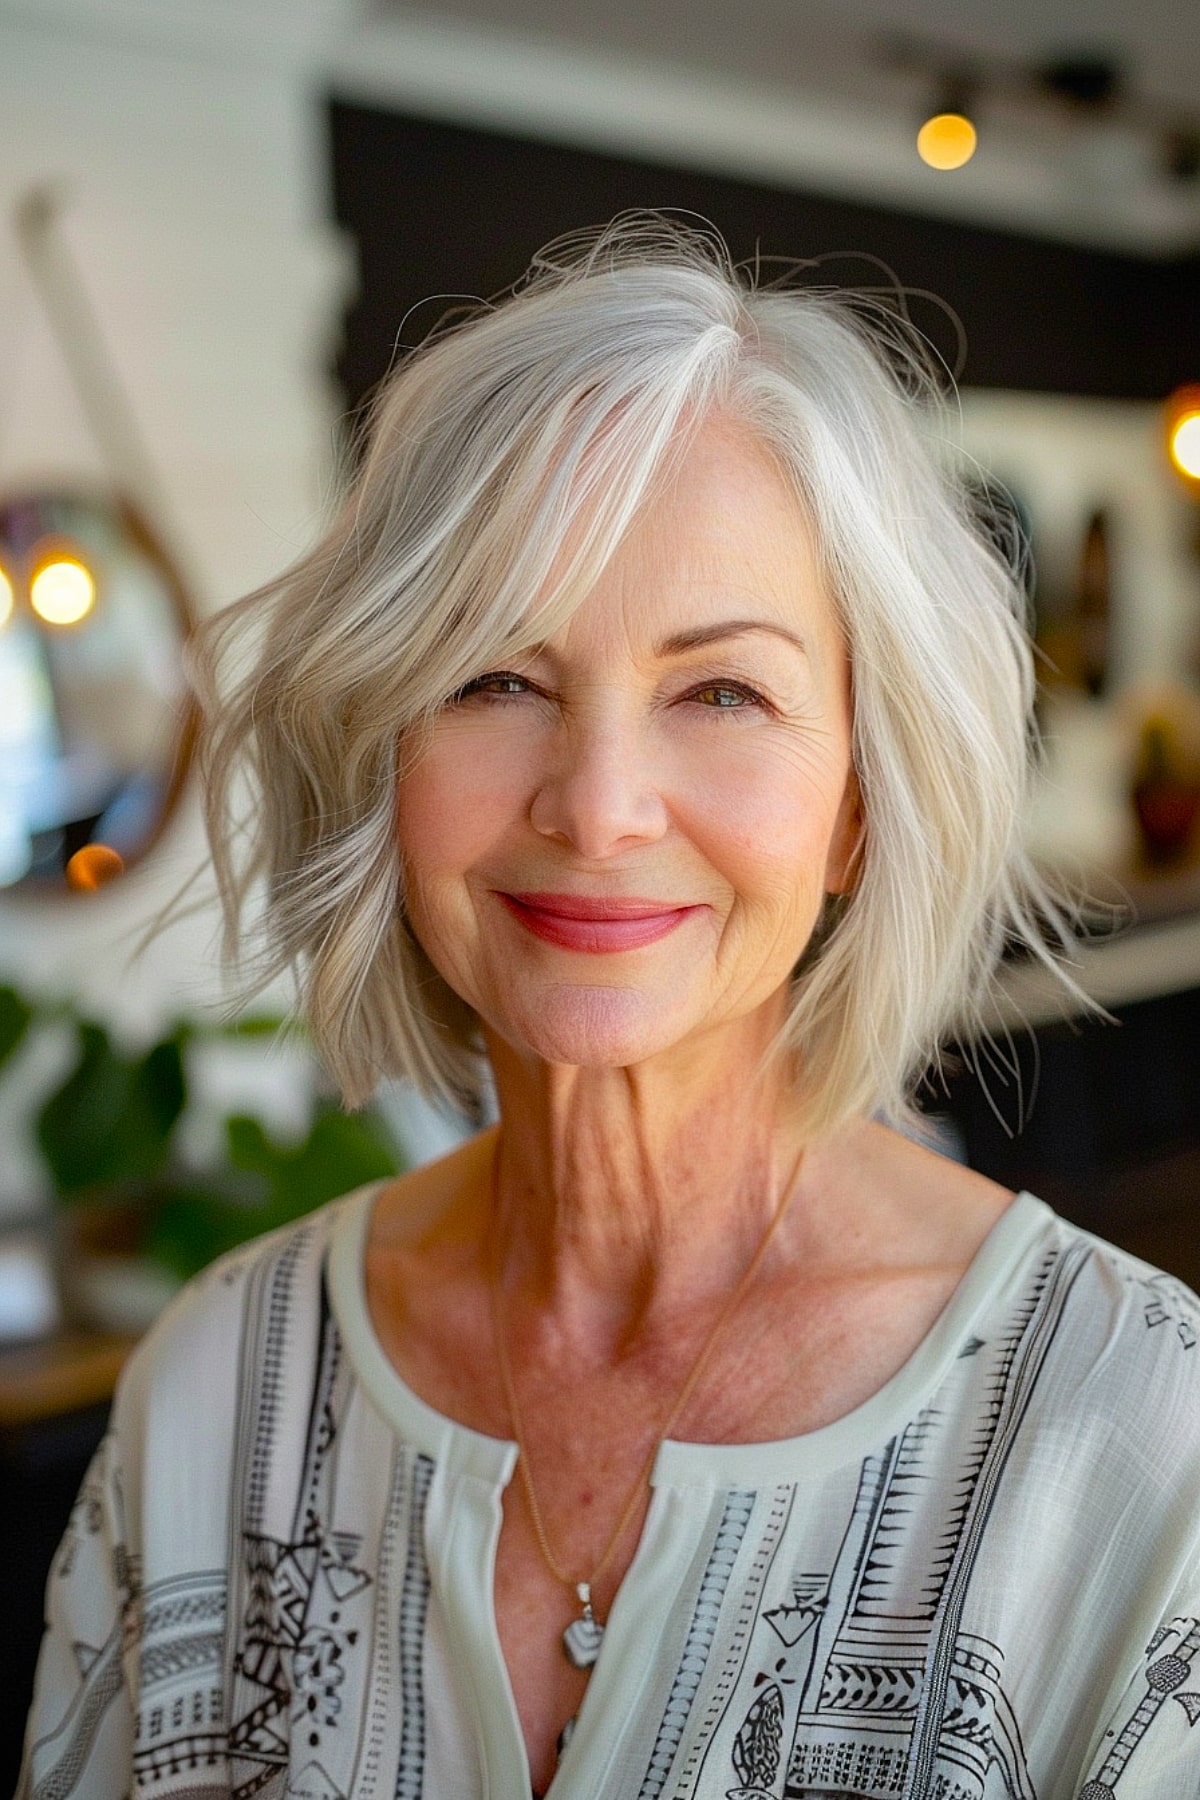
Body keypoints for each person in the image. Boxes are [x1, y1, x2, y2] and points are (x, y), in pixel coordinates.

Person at [19, 217, 1200, 1800]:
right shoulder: (216, 1390)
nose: (596, 805)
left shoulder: (1137, 1442)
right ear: (385, 752)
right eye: (496, 678)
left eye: (722, 691)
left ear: (859, 799)